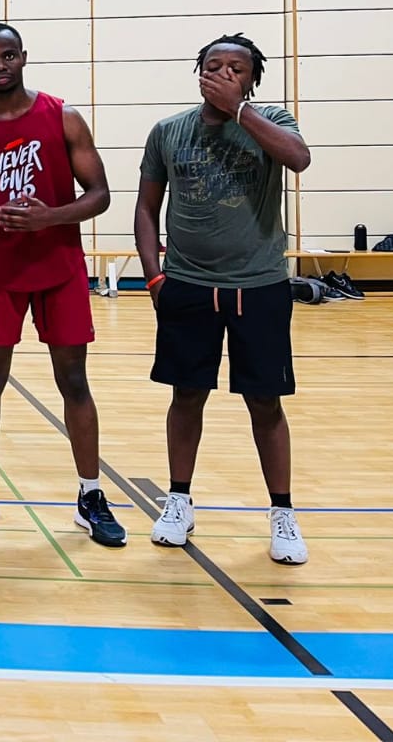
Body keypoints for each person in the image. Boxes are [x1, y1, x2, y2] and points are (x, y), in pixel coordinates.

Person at [0, 24, 124, 546]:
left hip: (58, 262)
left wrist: (51, 218)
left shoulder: (62, 117)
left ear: (23, 57)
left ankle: (91, 495)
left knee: (74, 381)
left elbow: (100, 194)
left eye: (8, 55)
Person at [136, 33, 312, 564]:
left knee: (265, 402)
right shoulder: (169, 132)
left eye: (236, 67)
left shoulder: (274, 121)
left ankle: (282, 512)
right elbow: (146, 209)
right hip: (187, 285)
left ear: (253, 78)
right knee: (186, 395)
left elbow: (299, 160)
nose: (223, 73)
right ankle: (179, 500)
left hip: (257, 284)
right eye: (214, 65)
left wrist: (240, 111)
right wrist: (153, 277)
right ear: (199, 73)